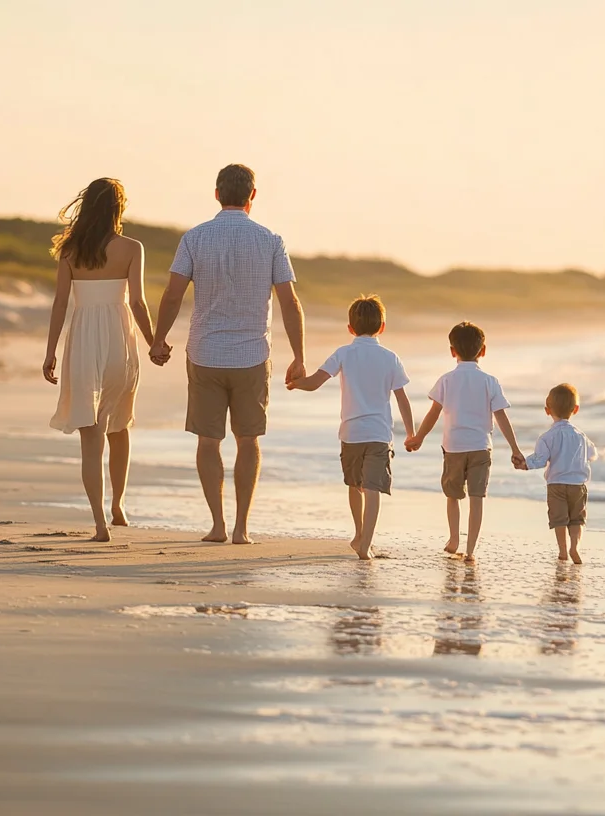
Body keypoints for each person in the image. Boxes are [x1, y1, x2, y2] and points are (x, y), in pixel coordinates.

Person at [147, 164, 306, 545]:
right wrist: (299, 356)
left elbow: (172, 294)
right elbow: (289, 301)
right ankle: (241, 528)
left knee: (207, 440)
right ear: (253, 196)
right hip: (252, 355)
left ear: (217, 194)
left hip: (205, 353)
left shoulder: (195, 237)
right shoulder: (270, 240)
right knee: (248, 440)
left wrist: (158, 339)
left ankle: (217, 524)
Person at [43, 178, 154, 542]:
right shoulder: (131, 248)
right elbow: (137, 302)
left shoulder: (71, 250)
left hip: (83, 340)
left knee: (91, 436)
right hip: (119, 341)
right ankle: (118, 505)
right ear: (117, 209)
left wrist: (50, 352)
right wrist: (155, 343)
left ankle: (100, 524)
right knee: (119, 426)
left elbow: (60, 304)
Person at [288, 295, 416, 560]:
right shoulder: (390, 358)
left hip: (351, 433)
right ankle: (365, 545)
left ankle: (358, 533)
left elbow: (314, 383)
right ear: (382, 326)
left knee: (354, 485)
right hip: (379, 433)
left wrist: (295, 383)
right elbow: (402, 399)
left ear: (350, 328)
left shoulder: (344, 353)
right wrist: (412, 434)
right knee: (373, 488)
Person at [406, 322, 524, 562]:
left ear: (452, 351)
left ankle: (453, 540)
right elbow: (501, 417)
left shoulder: (447, 380)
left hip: (454, 447)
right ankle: (470, 550)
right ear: (483, 351)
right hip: (481, 447)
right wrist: (515, 448)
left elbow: (433, 413)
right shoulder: (490, 381)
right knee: (477, 498)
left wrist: (419, 437)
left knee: (453, 495)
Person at [517, 383, 597, 563]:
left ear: (547, 410)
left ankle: (562, 551)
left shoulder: (547, 437)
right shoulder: (581, 436)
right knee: (577, 519)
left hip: (556, 485)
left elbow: (540, 459)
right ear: (575, 409)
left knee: (559, 519)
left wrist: (524, 464)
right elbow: (593, 454)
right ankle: (574, 548)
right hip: (578, 485)